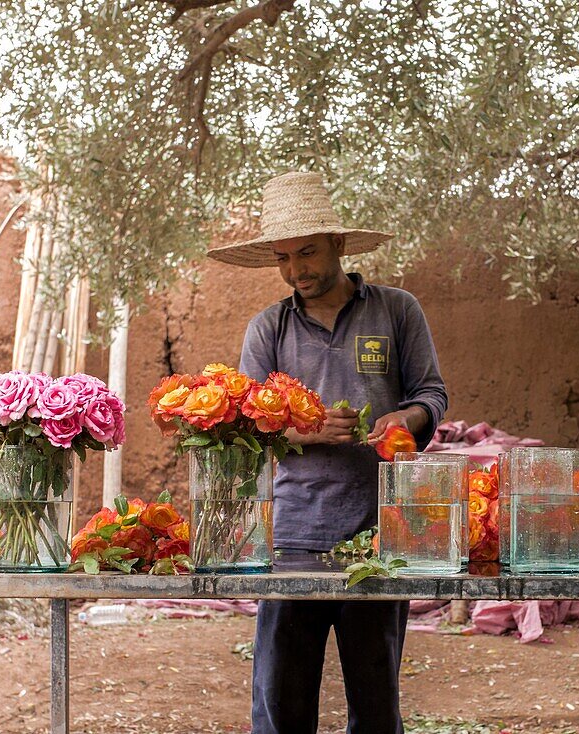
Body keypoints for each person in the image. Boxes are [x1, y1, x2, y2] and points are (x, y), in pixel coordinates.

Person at [208, 171, 448, 734]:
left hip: (378, 537)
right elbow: (245, 426)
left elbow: (431, 395)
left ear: (339, 244)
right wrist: (309, 430)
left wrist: (404, 419)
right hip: (292, 536)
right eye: (283, 258)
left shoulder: (396, 311)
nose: (296, 271)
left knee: (376, 703)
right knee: (281, 705)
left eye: (308, 253)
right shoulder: (268, 327)